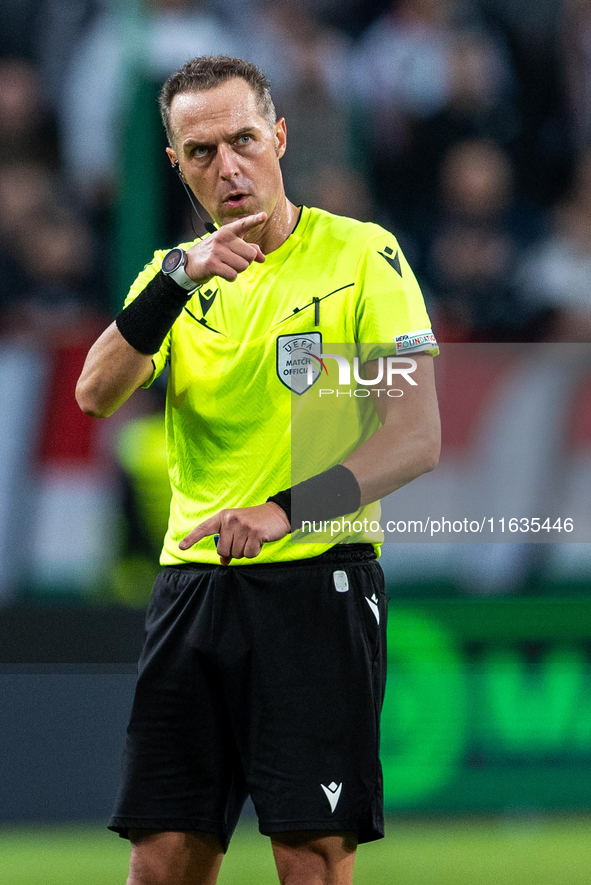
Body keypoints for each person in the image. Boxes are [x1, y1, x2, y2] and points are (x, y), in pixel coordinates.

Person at [76, 55, 440, 885]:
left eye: (243, 139)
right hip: (192, 588)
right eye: (200, 152)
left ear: (278, 136)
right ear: (176, 164)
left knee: (306, 855)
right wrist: (176, 277)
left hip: (315, 582)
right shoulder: (172, 277)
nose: (227, 167)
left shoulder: (360, 256)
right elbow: (95, 392)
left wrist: (287, 507)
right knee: (161, 858)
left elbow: (415, 436)